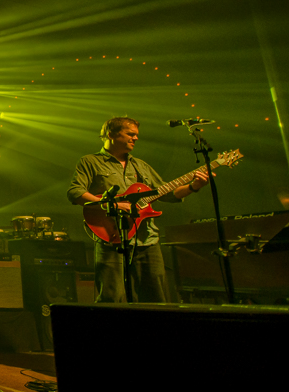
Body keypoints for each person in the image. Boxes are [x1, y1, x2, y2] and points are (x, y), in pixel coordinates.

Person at [68, 116, 208, 303]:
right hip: (111, 238)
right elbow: (75, 192)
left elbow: (167, 193)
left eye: (136, 135)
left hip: (147, 239)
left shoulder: (141, 166)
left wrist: (193, 187)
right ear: (111, 134)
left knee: (156, 297)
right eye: (130, 134)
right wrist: (112, 205)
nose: (136, 138)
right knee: (111, 296)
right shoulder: (90, 161)